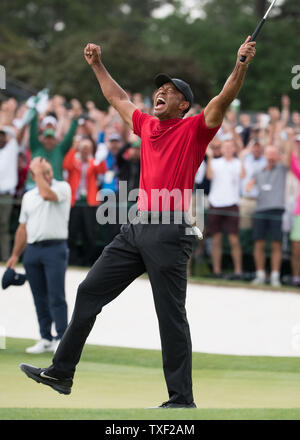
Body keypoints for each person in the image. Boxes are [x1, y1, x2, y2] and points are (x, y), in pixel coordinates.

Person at [20, 37, 256, 407]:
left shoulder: (195, 129)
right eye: (158, 88)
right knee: (88, 292)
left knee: (170, 316)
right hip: (135, 227)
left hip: (170, 230)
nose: (160, 92)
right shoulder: (146, 125)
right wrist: (97, 64)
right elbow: (116, 98)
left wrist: (240, 63)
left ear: (183, 104)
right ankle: (62, 372)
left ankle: (181, 398)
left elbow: (223, 98)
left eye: (170, 90)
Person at [6, 157, 71, 353]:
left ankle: (62, 337)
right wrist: (15, 255)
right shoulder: (28, 196)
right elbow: (22, 228)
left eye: (49, 172)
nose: (48, 176)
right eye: (43, 173)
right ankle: (45, 337)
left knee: (56, 295)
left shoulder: (62, 188)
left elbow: (47, 194)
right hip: (33, 250)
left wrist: (37, 170)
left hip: (55, 248)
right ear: (33, 176)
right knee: (38, 296)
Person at [246, 143, 292, 287]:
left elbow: (289, 156)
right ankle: (260, 275)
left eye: (274, 154)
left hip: (276, 209)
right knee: (258, 243)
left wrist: (289, 139)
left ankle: (275, 276)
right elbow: (248, 188)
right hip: (260, 209)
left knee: (276, 244)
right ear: (265, 155)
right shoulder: (258, 171)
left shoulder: (282, 169)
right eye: (269, 154)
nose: (271, 157)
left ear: (278, 156)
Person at [63, 137, 106, 266]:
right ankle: (71, 259)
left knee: (90, 233)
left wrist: (97, 157)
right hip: (75, 202)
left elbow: (102, 170)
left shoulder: (94, 162)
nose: (85, 151)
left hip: (89, 202)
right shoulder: (74, 161)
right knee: (72, 232)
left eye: (88, 149)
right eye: (83, 148)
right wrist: (74, 149)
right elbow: (66, 165)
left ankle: (89, 261)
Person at [206, 139, 246, 279]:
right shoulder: (215, 162)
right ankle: (216, 271)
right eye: (225, 147)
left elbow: (242, 175)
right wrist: (210, 157)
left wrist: (240, 158)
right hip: (216, 202)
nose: (228, 149)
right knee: (216, 239)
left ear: (234, 149)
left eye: (230, 147)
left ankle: (238, 271)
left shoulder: (237, 163)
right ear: (221, 149)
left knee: (234, 239)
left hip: (232, 203)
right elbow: (209, 176)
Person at [25, 106, 81, 190]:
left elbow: (69, 136)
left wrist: (75, 119)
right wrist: (35, 109)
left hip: (55, 187)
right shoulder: (36, 146)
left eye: (51, 138)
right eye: (47, 138)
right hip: (34, 186)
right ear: (42, 139)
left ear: (55, 140)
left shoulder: (60, 149)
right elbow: (33, 130)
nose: (49, 141)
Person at [0, 128, 20, 261]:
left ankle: (5, 258)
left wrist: (4, 128)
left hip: (6, 195)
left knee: (4, 226)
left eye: (2, 136)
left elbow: (15, 134)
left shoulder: (11, 148)